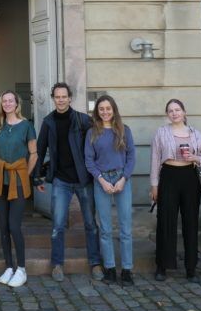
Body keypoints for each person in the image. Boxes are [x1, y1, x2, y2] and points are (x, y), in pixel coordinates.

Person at [35, 82, 104, 282]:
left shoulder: (83, 120)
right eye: (57, 97)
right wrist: (38, 176)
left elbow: (98, 144)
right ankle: (57, 264)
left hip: (84, 180)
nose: (61, 100)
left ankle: (95, 263)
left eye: (64, 96)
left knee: (91, 223)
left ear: (70, 98)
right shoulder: (48, 122)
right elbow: (40, 150)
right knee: (57, 225)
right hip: (61, 180)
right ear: (53, 99)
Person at [149, 98, 201, 282]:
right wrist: (154, 185)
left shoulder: (195, 134)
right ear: (168, 115)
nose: (174, 113)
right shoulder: (161, 132)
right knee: (165, 221)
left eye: (177, 110)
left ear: (184, 112)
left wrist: (195, 158)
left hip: (190, 178)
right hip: (168, 175)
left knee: (191, 221)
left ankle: (191, 268)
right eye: (170, 110)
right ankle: (162, 266)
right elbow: (155, 159)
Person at [84, 95, 136, 285]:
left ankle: (127, 270)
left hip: (122, 177)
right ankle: (110, 268)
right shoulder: (92, 132)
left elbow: (131, 157)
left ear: (114, 109)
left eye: (108, 108)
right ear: (97, 112)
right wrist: (101, 180)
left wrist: (123, 179)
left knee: (125, 228)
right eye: (101, 109)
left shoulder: (124, 130)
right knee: (105, 228)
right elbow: (89, 160)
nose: (105, 112)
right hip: (101, 179)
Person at [0, 90, 37, 287]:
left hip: (18, 178)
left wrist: (25, 175)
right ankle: (9, 266)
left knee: (14, 226)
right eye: (5, 101)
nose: (8, 104)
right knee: (2, 226)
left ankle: (21, 268)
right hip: (2, 178)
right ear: (1, 104)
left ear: (17, 103)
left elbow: (33, 154)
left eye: (11, 101)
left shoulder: (26, 125)